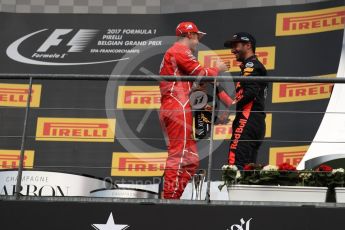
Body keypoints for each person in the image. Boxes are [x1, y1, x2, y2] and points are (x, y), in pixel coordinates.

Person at [159, 21, 227, 199]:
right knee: (179, 155)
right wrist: (217, 69)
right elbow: (200, 73)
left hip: (179, 106)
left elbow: (197, 79)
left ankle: (173, 196)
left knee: (191, 160)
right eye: (197, 37)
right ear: (190, 35)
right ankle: (168, 200)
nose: (198, 41)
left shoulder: (178, 52)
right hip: (176, 106)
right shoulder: (179, 50)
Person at [217, 32, 267, 169]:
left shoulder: (251, 65)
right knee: (247, 169)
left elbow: (250, 93)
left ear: (248, 45)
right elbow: (234, 100)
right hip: (251, 120)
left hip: (248, 119)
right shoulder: (247, 67)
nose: (232, 50)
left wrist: (229, 109)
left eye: (236, 45)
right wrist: (216, 85)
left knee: (235, 165)